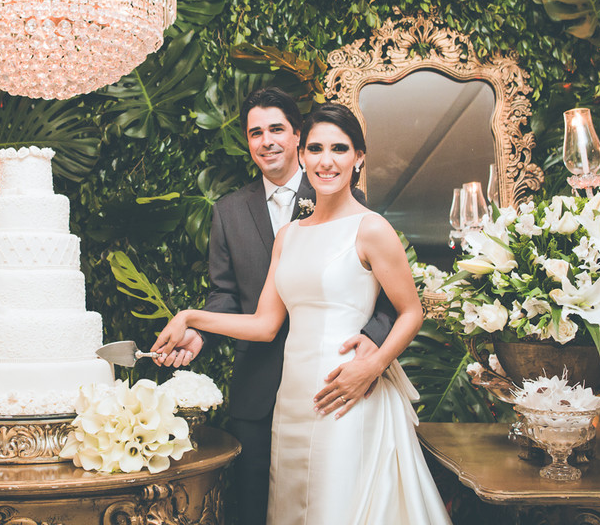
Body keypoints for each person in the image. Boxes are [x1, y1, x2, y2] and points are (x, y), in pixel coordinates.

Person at [153, 103, 451, 525]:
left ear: (358, 158)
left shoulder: (371, 228)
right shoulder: (288, 236)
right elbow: (264, 324)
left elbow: (410, 311)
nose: (326, 161)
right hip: (291, 400)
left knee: (337, 508)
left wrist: (373, 366)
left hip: (347, 391)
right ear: (303, 154)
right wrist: (190, 317)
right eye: (316, 149)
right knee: (292, 508)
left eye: (339, 149)